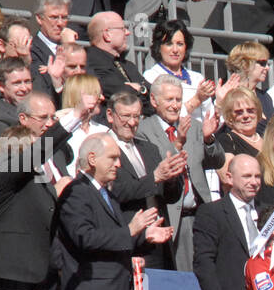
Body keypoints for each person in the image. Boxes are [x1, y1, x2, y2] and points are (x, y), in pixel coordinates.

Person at [54, 131, 174, 290]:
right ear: (92, 159)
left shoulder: (107, 195)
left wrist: (144, 236)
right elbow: (85, 238)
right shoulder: (76, 192)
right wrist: (131, 230)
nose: (118, 164)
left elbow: (113, 237)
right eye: (112, 158)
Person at [0, 113, 68, 290]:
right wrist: (73, 118)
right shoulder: (0, 171)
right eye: (33, 147)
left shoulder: (37, 182)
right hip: (4, 274)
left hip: (36, 273)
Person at [138, 73, 225, 270]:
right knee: (181, 280)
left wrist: (209, 139)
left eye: (178, 100)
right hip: (171, 216)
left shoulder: (193, 126)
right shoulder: (143, 130)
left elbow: (217, 161)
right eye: (169, 99)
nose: (175, 105)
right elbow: (159, 169)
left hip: (200, 214)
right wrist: (178, 144)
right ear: (153, 100)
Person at [192, 153, 274, 290]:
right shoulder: (211, 212)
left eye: (257, 176)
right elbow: (203, 262)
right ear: (229, 178)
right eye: (247, 176)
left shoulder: (270, 214)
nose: (254, 182)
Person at [105, 88, 183, 270]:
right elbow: (116, 191)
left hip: (159, 240)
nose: (132, 122)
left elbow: (170, 197)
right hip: (129, 240)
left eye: (137, 116)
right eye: (125, 116)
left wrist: (171, 177)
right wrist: (155, 177)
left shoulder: (149, 149)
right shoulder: (103, 147)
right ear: (110, 115)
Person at [141, 19, 214, 123]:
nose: (175, 50)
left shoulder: (197, 77)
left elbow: (209, 121)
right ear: (159, 47)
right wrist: (197, 99)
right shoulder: (152, 76)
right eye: (169, 44)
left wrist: (220, 101)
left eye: (180, 44)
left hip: (199, 137)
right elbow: (163, 117)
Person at [85, 10, 150, 113]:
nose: (128, 33)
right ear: (107, 34)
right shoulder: (91, 60)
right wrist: (141, 92)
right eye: (122, 29)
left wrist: (141, 89)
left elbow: (153, 95)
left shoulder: (128, 65)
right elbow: (120, 93)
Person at [0, 57, 34, 139]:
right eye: (17, 83)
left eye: (27, 81)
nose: (24, 88)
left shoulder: (37, 107)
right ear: (0, 86)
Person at [224, 41, 274, 119]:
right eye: (262, 63)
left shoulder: (265, 97)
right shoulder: (228, 95)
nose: (267, 67)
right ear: (245, 64)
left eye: (267, 63)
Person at [217, 88, 264, 160]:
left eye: (250, 110)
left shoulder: (267, 138)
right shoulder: (227, 141)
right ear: (229, 116)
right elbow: (226, 170)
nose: (246, 116)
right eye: (239, 112)